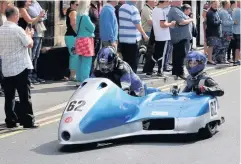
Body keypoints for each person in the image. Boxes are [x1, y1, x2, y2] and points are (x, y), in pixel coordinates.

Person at [0, 6, 39, 128]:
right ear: (16, 15)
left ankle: (10, 120)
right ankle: (28, 120)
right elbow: (29, 44)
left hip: (6, 66)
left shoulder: (0, 30)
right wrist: (29, 35)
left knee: (9, 96)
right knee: (24, 95)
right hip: (20, 66)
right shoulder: (17, 30)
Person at [91, 46, 160, 97]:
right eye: (102, 64)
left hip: (135, 91)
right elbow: (90, 83)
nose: (104, 68)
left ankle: (156, 93)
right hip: (115, 90)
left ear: (114, 61)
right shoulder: (98, 68)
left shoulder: (122, 68)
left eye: (108, 65)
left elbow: (125, 91)